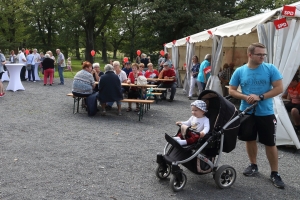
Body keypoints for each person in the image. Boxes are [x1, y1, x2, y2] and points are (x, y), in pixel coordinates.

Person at [229, 42, 285, 189]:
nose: (262, 57)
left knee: (270, 143)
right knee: (249, 139)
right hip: (247, 111)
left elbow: (279, 88)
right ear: (250, 55)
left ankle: (275, 173)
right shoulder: (240, 71)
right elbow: (232, 90)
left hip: (266, 112)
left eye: (264, 54)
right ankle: (253, 165)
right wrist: (244, 97)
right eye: (259, 54)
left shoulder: (270, 68)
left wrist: (261, 96)